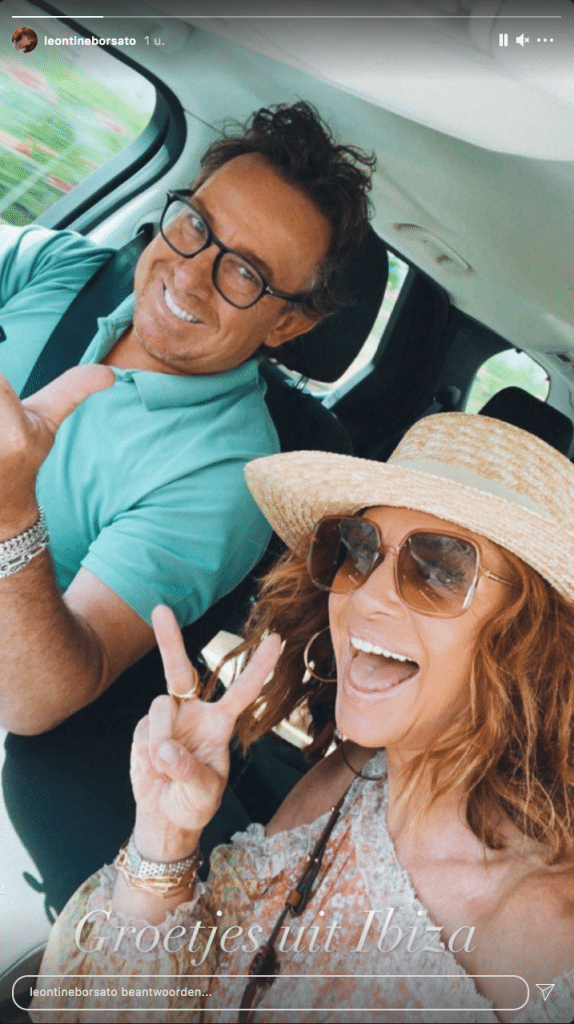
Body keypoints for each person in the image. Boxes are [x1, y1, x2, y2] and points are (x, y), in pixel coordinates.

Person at [30, 412, 574, 1023]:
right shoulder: (349, 782)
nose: (365, 594)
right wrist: (165, 839)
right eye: (360, 551)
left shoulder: (548, 942)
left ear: (535, 639)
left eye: (440, 571)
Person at [0, 101, 376, 908]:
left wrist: (8, 514)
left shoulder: (228, 474)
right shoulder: (60, 267)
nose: (190, 272)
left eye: (245, 272)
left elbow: (37, 697)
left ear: (287, 321)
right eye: (195, 225)